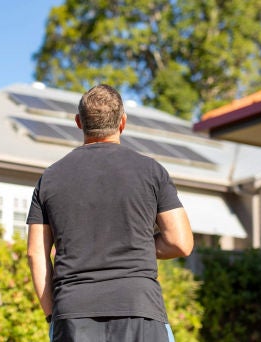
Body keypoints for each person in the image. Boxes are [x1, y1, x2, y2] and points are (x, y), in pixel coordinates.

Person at [26, 84, 193, 342]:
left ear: (79, 122)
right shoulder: (151, 171)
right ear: (122, 122)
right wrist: (133, 244)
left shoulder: (50, 178)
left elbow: (36, 253)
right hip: (140, 309)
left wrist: (53, 316)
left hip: (73, 313)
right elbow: (180, 242)